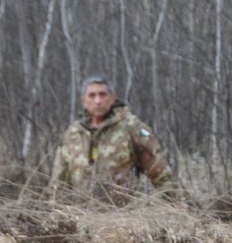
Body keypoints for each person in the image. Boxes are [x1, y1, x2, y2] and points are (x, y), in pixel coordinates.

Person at [50, 76, 179, 198]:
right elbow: (59, 181)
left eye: (102, 94)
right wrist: (56, 212)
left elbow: (159, 172)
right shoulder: (74, 133)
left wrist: (176, 202)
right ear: (84, 101)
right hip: (80, 215)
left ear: (112, 98)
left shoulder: (132, 128)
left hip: (121, 215)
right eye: (92, 95)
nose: (98, 101)